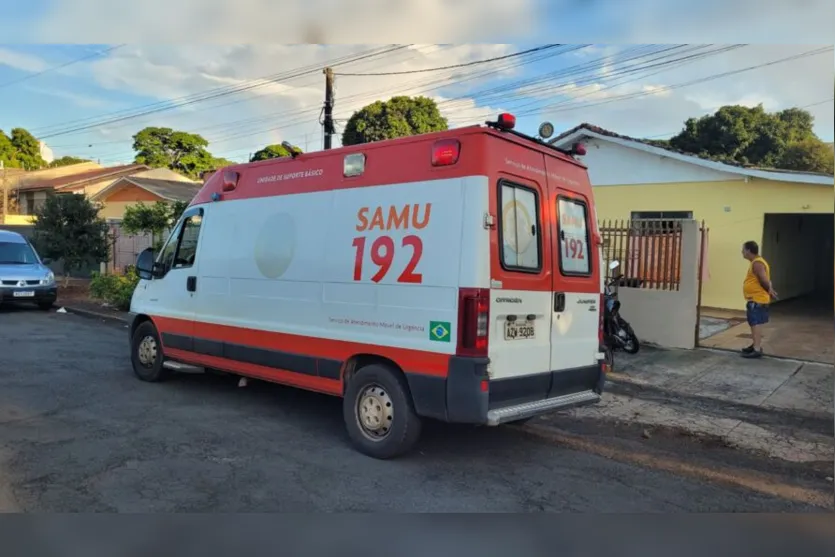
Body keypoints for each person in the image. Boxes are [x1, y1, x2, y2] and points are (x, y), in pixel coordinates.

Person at [741, 240, 777, 359]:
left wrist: (769, 290)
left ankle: (756, 349)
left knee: (756, 324)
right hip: (755, 299)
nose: (742, 252)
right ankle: (755, 345)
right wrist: (770, 289)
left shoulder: (757, 263)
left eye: (743, 250)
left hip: (757, 299)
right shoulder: (756, 262)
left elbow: (763, 279)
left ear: (749, 251)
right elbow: (767, 280)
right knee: (754, 323)